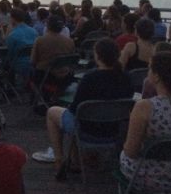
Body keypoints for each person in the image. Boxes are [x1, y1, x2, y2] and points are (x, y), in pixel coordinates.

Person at [32, 38, 133, 178]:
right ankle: (76, 160)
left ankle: (59, 159)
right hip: (114, 131)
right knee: (77, 115)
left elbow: (75, 110)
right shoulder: (126, 77)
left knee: (52, 112)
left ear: (98, 56)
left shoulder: (90, 77)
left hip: (86, 131)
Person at [120, 52, 171, 194]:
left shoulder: (145, 107)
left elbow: (131, 152)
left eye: (149, 68)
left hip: (149, 179)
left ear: (157, 76)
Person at [30, 15, 75, 89]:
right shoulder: (70, 42)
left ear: (48, 26)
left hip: (45, 76)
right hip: (65, 77)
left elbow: (32, 61)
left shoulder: (40, 40)